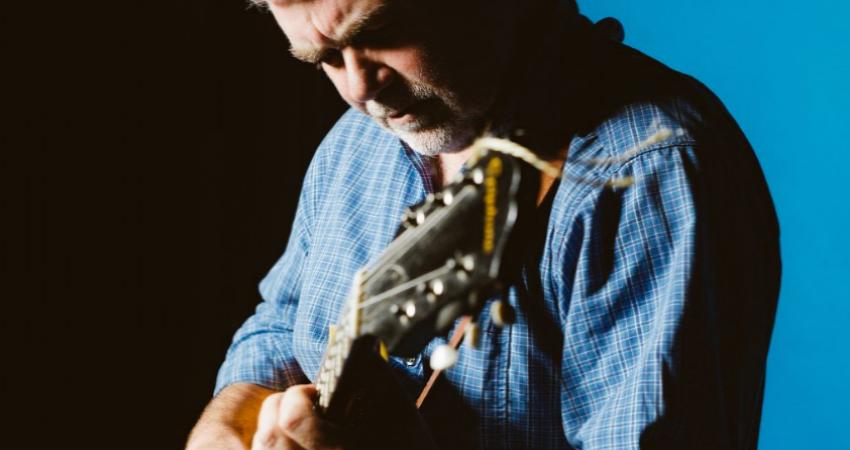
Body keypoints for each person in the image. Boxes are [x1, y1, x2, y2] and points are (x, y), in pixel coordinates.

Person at [186, 0, 781, 449]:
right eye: (326, 59)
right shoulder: (356, 144)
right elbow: (285, 318)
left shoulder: (646, 173)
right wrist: (232, 412)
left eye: (381, 32)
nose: (360, 89)